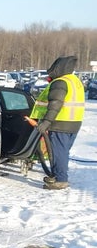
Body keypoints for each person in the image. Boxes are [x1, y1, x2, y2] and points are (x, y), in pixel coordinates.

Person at [29, 56, 85, 190]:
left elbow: (55, 105)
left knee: (58, 152)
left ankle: (61, 180)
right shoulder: (75, 80)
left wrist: (46, 122)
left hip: (61, 123)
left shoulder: (60, 82)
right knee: (62, 152)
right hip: (74, 122)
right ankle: (56, 175)